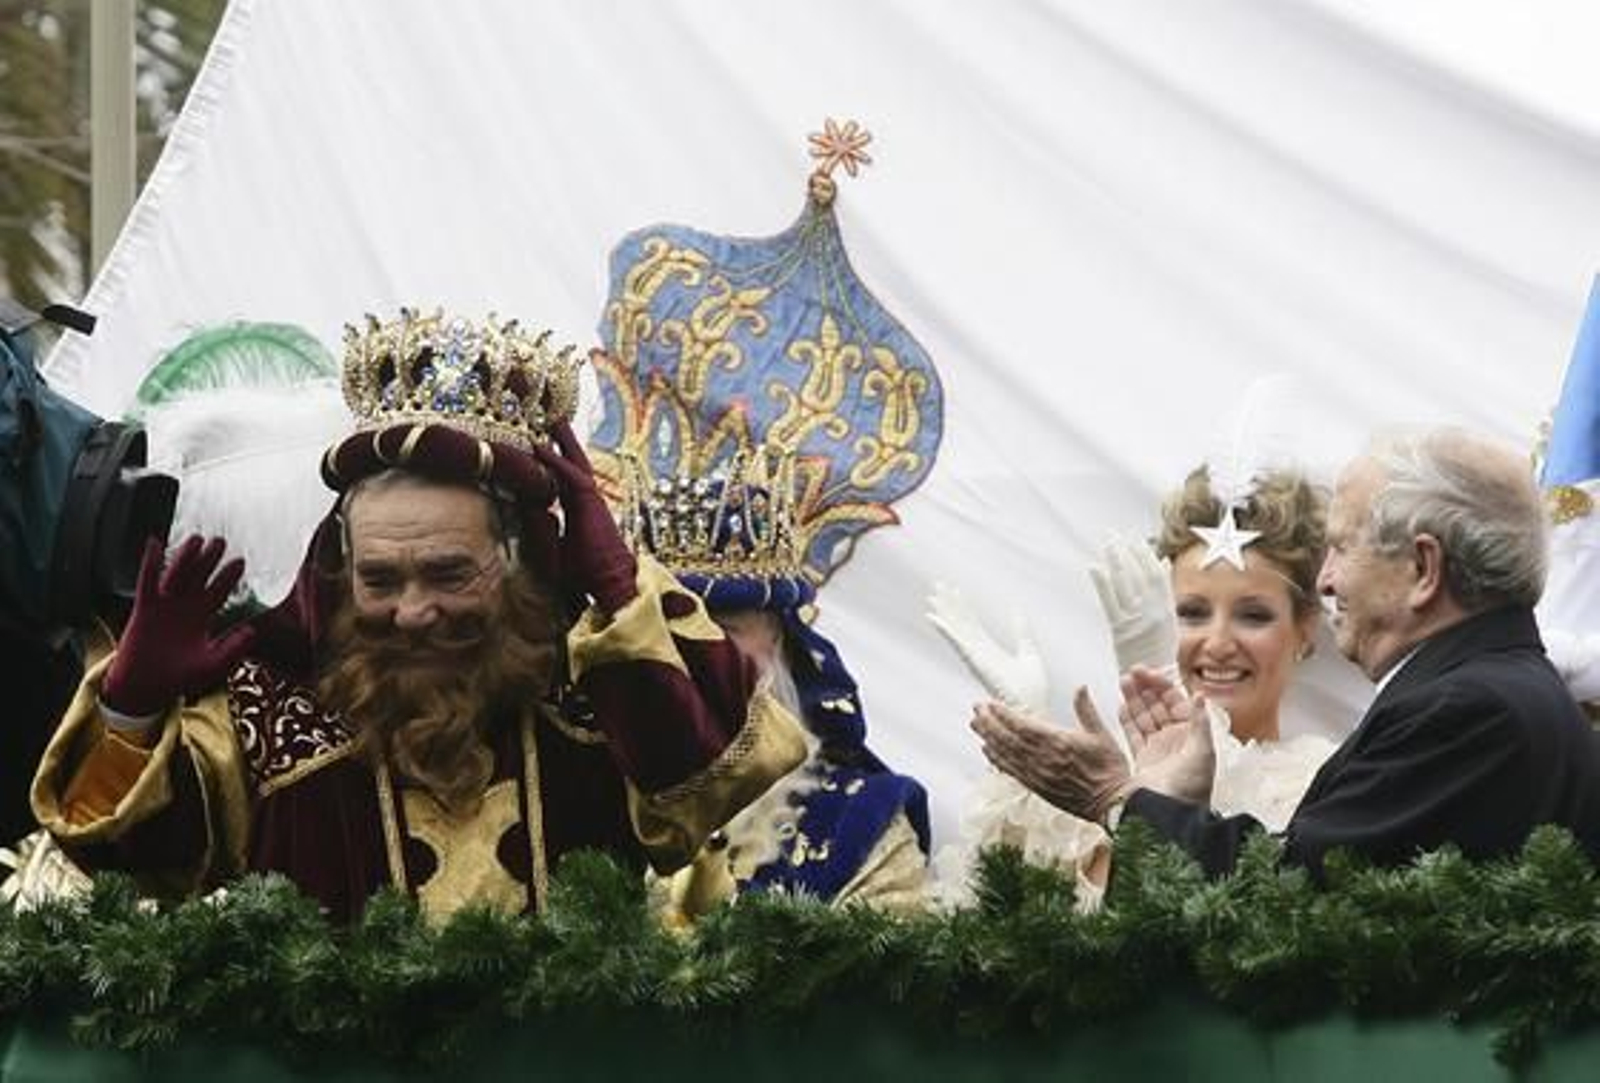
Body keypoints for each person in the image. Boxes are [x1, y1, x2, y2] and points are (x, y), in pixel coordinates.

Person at [28, 310, 807, 921]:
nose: (411, 612)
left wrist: (618, 586)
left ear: (511, 563)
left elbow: (718, 783)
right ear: (339, 566)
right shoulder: (270, 703)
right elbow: (127, 860)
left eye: (447, 573)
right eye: (380, 578)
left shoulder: (591, 685)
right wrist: (131, 705)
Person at [973, 426, 1600, 880]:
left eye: (1341, 548)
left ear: (1423, 567)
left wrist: (1118, 797)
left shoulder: (1469, 707)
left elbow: (1295, 896)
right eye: (1192, 610)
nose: (1325, 580)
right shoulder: (1500, 689)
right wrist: (1176, 804)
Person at [929, 466, 1337, 903]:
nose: (1217, 644)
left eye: (1253, 615)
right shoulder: (1091, 776)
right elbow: (995, 919)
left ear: (1305, 628)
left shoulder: (1323, 782)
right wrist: (1023, 742)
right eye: (1192, 613)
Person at [614, 452, 929, 915]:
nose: (694, 655)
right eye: (665, 629)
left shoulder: (860, 825)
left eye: (722, 627)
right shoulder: (568, 797)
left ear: (778, 641)